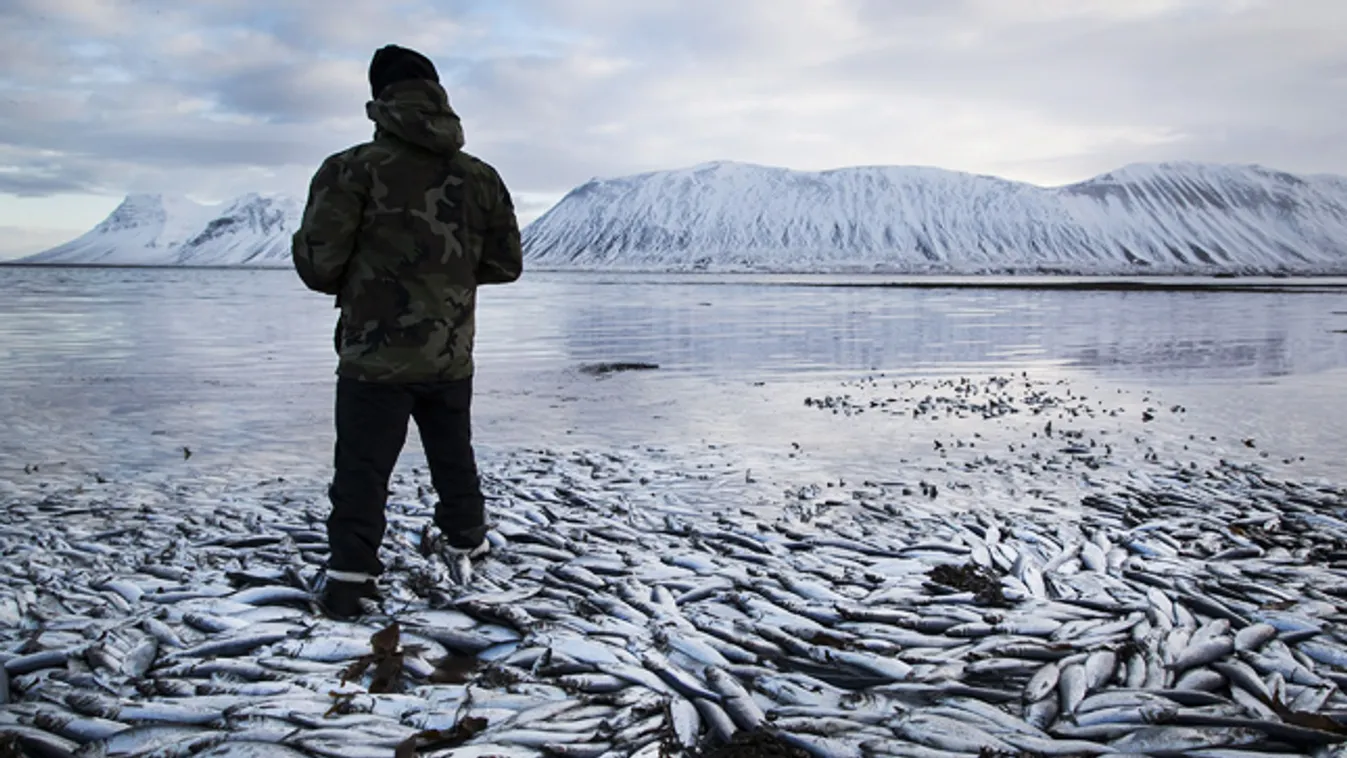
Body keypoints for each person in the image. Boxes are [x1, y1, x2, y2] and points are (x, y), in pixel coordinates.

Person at [292, 44, 522, 620]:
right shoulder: (481, 177)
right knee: (453, 454)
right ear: (437, 93)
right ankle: (468, 539)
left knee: (363, 467)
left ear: (379, 99)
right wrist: (445, 282)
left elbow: (320, 267)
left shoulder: (350, 169)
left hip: (375, 354)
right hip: (449, 351)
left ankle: (350, 579)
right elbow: (505, 265)